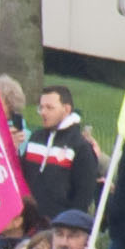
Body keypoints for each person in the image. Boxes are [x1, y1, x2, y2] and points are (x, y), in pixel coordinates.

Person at [21, 87, 104, 223]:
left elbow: (83, 196)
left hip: (57, 227)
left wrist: (66, 226)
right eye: (41, 107)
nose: (43, 112)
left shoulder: (80, 146)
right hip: (27, 224)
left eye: (50, 108)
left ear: (66, 109)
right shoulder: (36, 138)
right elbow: (22, 174)